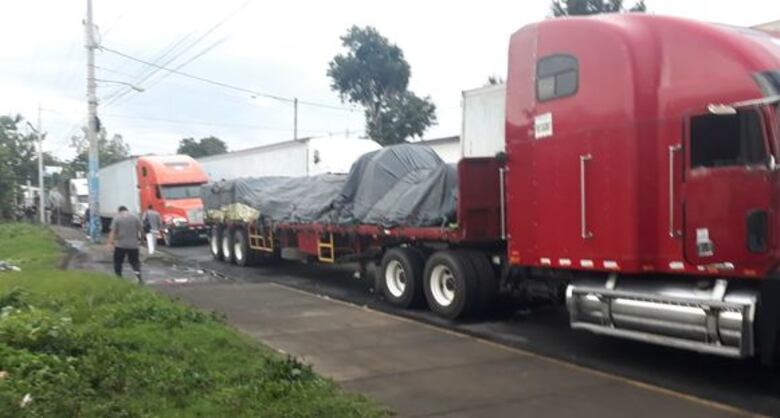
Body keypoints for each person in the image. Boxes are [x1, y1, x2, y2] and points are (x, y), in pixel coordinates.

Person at [106, 206, 143, 283]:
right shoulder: (135, 218)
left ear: (119, 211)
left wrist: (110, 243)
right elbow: (141, 230)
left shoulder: (117, 218)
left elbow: (112, 232)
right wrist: (142, 240)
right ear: (127, 210)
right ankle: (138, 277)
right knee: (134, 262)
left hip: (120, 245)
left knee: (118, 262)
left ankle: (119, 278)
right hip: (133, 245)